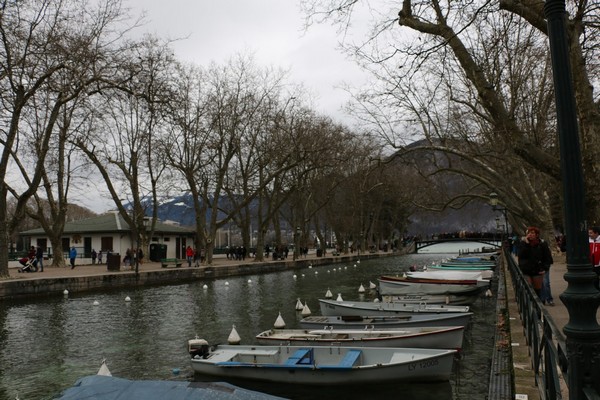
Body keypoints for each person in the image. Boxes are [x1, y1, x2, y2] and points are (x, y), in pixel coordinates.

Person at [518, 226, 553, 302]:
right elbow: (521, 255)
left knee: (538, 290)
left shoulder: (542, 244)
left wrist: (545, 268)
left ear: (537, 234)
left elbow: (548, 258)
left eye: (532, 233)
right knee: (529, 289)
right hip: (526, 270)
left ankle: (540, 307)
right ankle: (531, 307)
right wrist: (526, 244)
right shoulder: (523, 243)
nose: (530, 234)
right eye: (529, 233)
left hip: (537, 270)